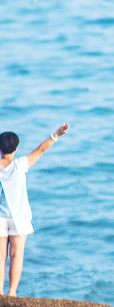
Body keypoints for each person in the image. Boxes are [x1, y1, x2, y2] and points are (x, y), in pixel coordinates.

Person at [0, 124, 70, 297]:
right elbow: (40, 150)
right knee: (16, 255)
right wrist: (56, 135)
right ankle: (12, 293)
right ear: (16, 148)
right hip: (19, 218)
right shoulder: (20, 165)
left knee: (1, 256)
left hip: (0, 217)